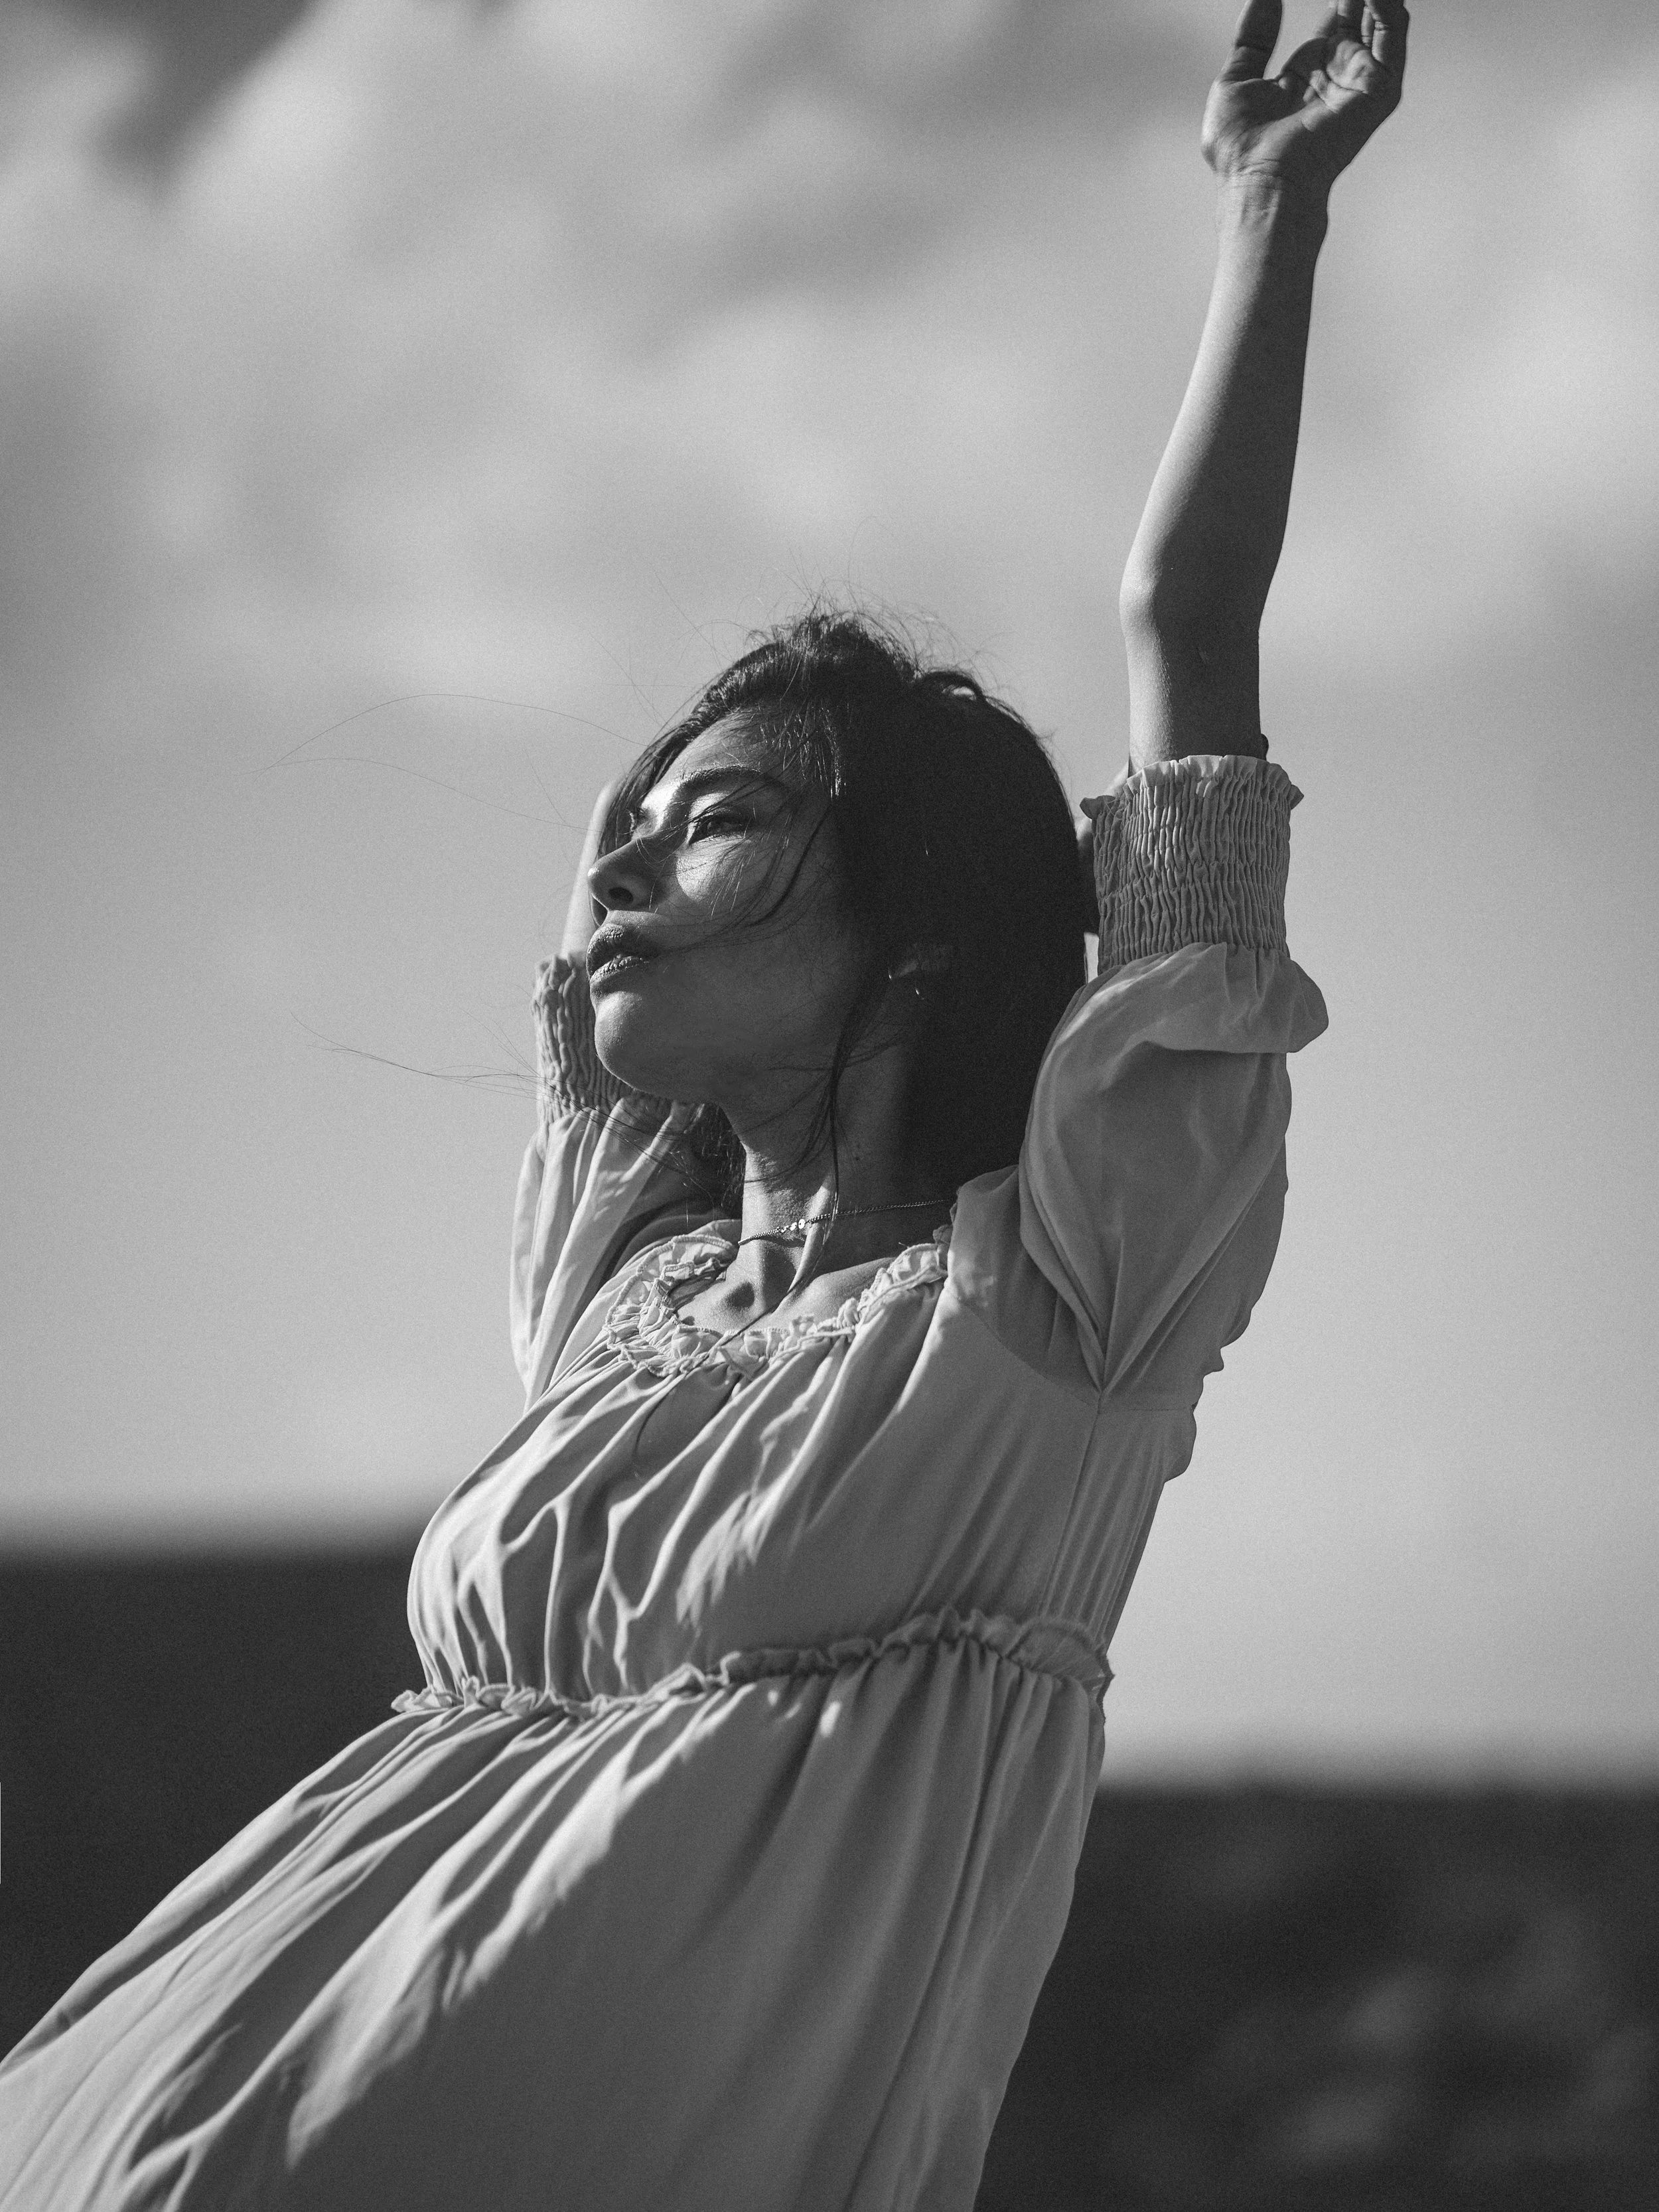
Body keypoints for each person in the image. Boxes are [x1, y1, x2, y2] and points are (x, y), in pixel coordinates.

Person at [0, 4, 1407, 2206]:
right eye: (632, 836)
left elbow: (1185, 638)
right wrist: (699, 787)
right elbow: (604, 892)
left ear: (916, 932)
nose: (631, 877)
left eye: (723, 824)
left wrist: (1266, 213)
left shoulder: (1060, 1292)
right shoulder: (621, 1289)